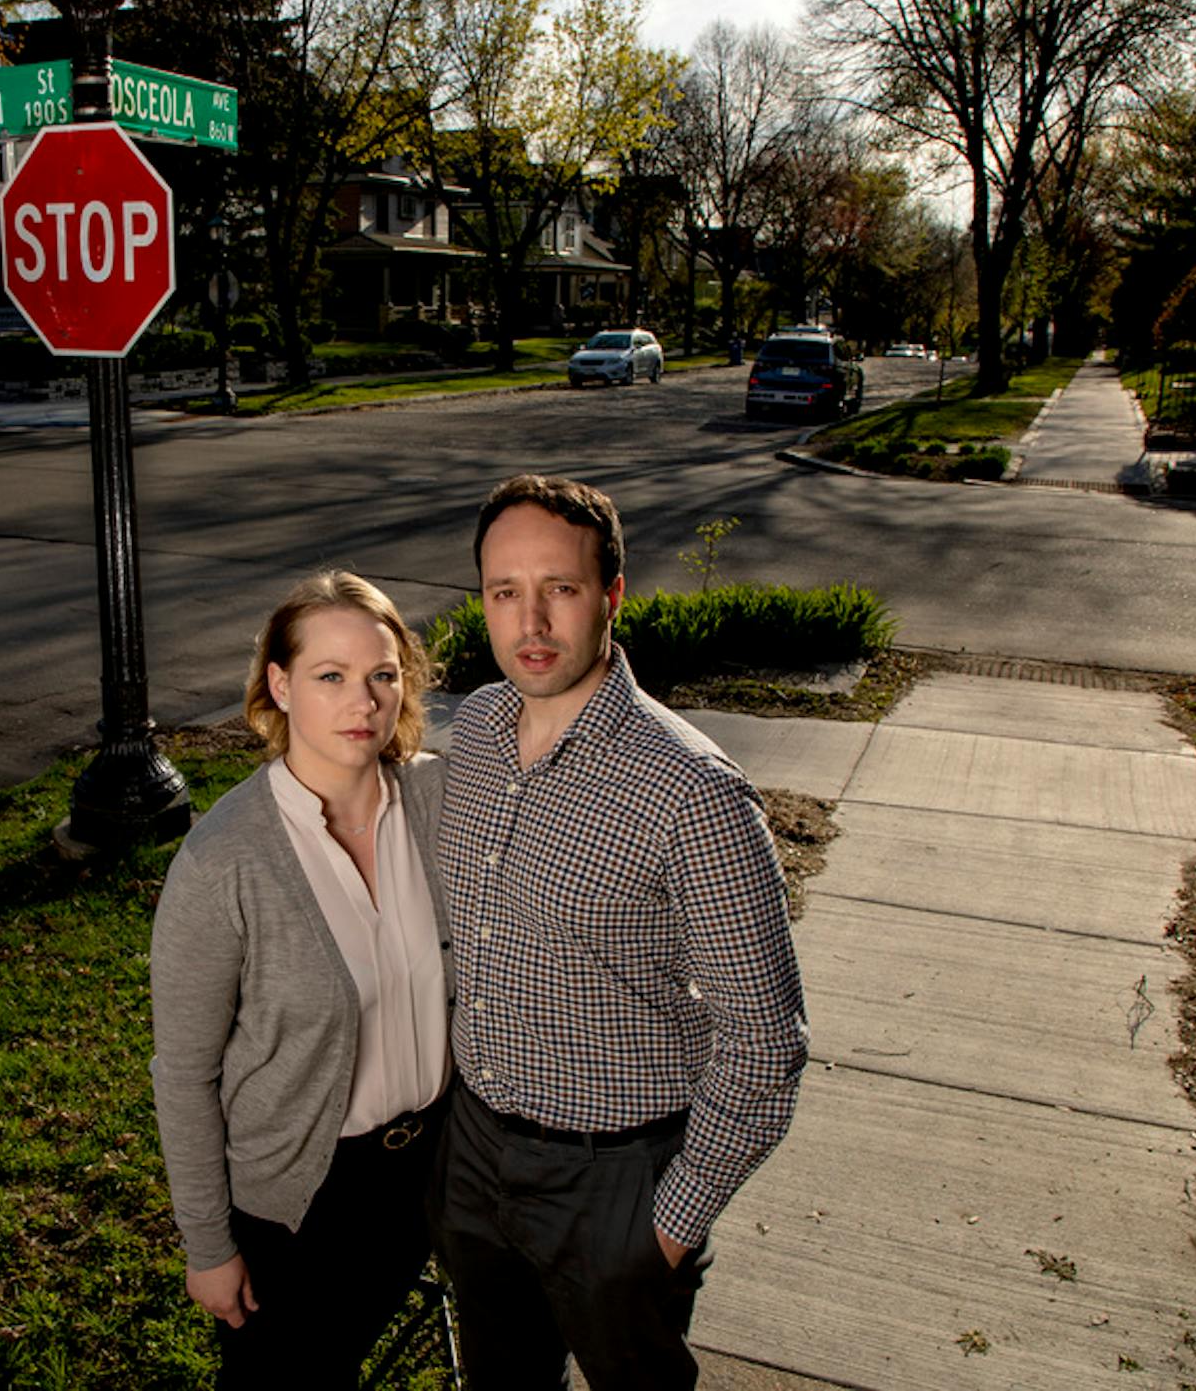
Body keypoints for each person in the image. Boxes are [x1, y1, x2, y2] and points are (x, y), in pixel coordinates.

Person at [429, 474, 809, 1390]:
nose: (530, 622)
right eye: (503, 591)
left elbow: (766, 1044)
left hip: (616, 1183)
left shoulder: (695, 792)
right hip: (474, 1155)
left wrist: (667, 1225)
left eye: (558, 588)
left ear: (610, 596)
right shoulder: (476, 728)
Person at [149, 570, 452, 1387]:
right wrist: (208, 1246)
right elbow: (183, 1074)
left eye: (382, 675)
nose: (364, 702)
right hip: (303, 1198)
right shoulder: (223, 859)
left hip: (436, 1167)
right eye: (331, 676)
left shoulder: (436, 801)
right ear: (279, 685)